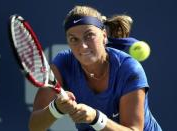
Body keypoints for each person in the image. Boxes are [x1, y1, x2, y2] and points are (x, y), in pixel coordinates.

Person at [29, 5, 162, 131]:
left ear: (104, 36)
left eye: (89, 35)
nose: (83, 46)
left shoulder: (129, 69)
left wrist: (96, 118)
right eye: (74, 39)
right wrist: (56, 108)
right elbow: (35, 126)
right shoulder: (62, 63)